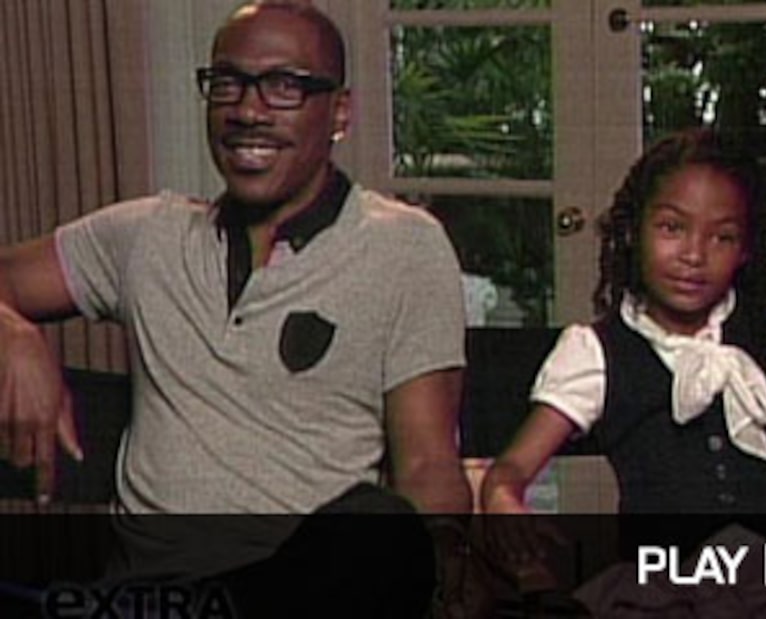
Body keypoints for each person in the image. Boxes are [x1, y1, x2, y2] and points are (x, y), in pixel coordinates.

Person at [0, 1, 470, 615]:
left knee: (377, 527)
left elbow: (428, 464)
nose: (248, 111)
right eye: (228, 83)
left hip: (306, 591)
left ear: (340, 112)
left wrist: (444, 573)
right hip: (151, 596)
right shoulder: (147, 236)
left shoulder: (404, 246)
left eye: (284, 87)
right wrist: (12, 334)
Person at [482, 128, 766, 516]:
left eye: (722, 237)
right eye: (672, 228)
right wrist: (502, 496)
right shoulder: (596, 353)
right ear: (633, 231)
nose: (694, 255)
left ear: (746, 249)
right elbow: (512, 468)